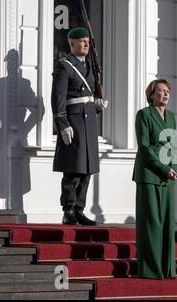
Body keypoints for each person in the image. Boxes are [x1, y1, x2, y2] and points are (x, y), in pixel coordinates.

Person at [51, 27, 108, 226]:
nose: (85, 44)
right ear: (71, 43)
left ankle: (79, 208)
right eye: (81, 41)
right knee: (73, 167)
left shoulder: (90, 66)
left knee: (87, 167)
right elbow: (57, 98)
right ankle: (68, 209)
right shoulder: (65, 66)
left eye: (87, 41)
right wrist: (62, 123)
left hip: (89, 121)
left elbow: (88, 94)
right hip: (74, 122)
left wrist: (97, 106)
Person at [133, 79, 177, 279]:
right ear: (152, 95)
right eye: (160, 91)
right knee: (152, 222)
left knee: (168, 222)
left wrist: (174, 168)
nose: (165, 94)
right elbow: (144, 147)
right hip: (149, 174)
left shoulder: (170, 116)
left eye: (167, 91)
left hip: (168, 175)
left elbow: (174, 145)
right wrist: (163, 168)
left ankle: (167, 269)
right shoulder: (144, 114)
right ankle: (151, 270)